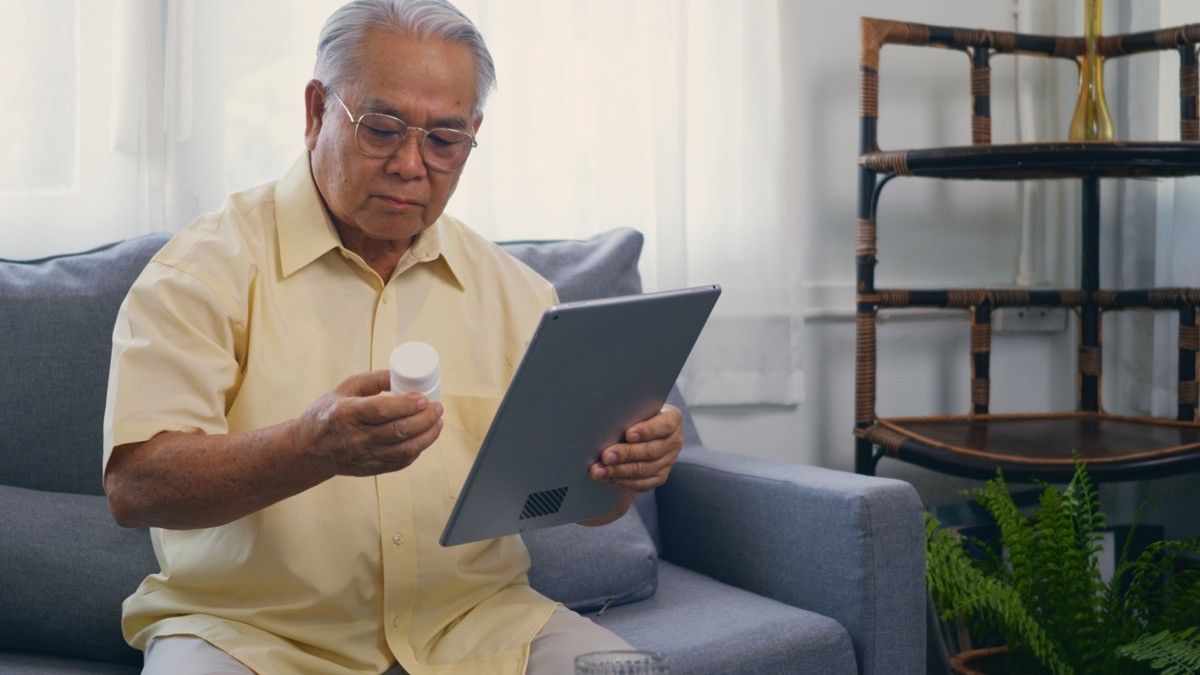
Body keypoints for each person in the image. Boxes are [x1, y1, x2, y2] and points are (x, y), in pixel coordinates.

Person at [101, 1, 684, 673]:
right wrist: (310, 445)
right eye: (382, 128)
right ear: (317, 111)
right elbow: (137, 487)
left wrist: (627, 472)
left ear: (474, 134)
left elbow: (591, 507)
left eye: (444, 139)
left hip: (478, 625)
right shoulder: (201, 269)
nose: (412, 163)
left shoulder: (520, 294)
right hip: (249, 636)